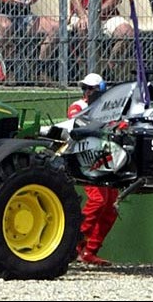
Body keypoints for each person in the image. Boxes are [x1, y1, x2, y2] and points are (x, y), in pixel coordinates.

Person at [68, 72, 116, 267]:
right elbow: (79, 125)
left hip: (106, 157)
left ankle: (90, 250)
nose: (87, 92)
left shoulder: (110, 108)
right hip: (84, 158)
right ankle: (75, 243)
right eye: (85, 88)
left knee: (111, 206)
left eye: (91, 88)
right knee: (97, 200)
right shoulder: (77, 107)